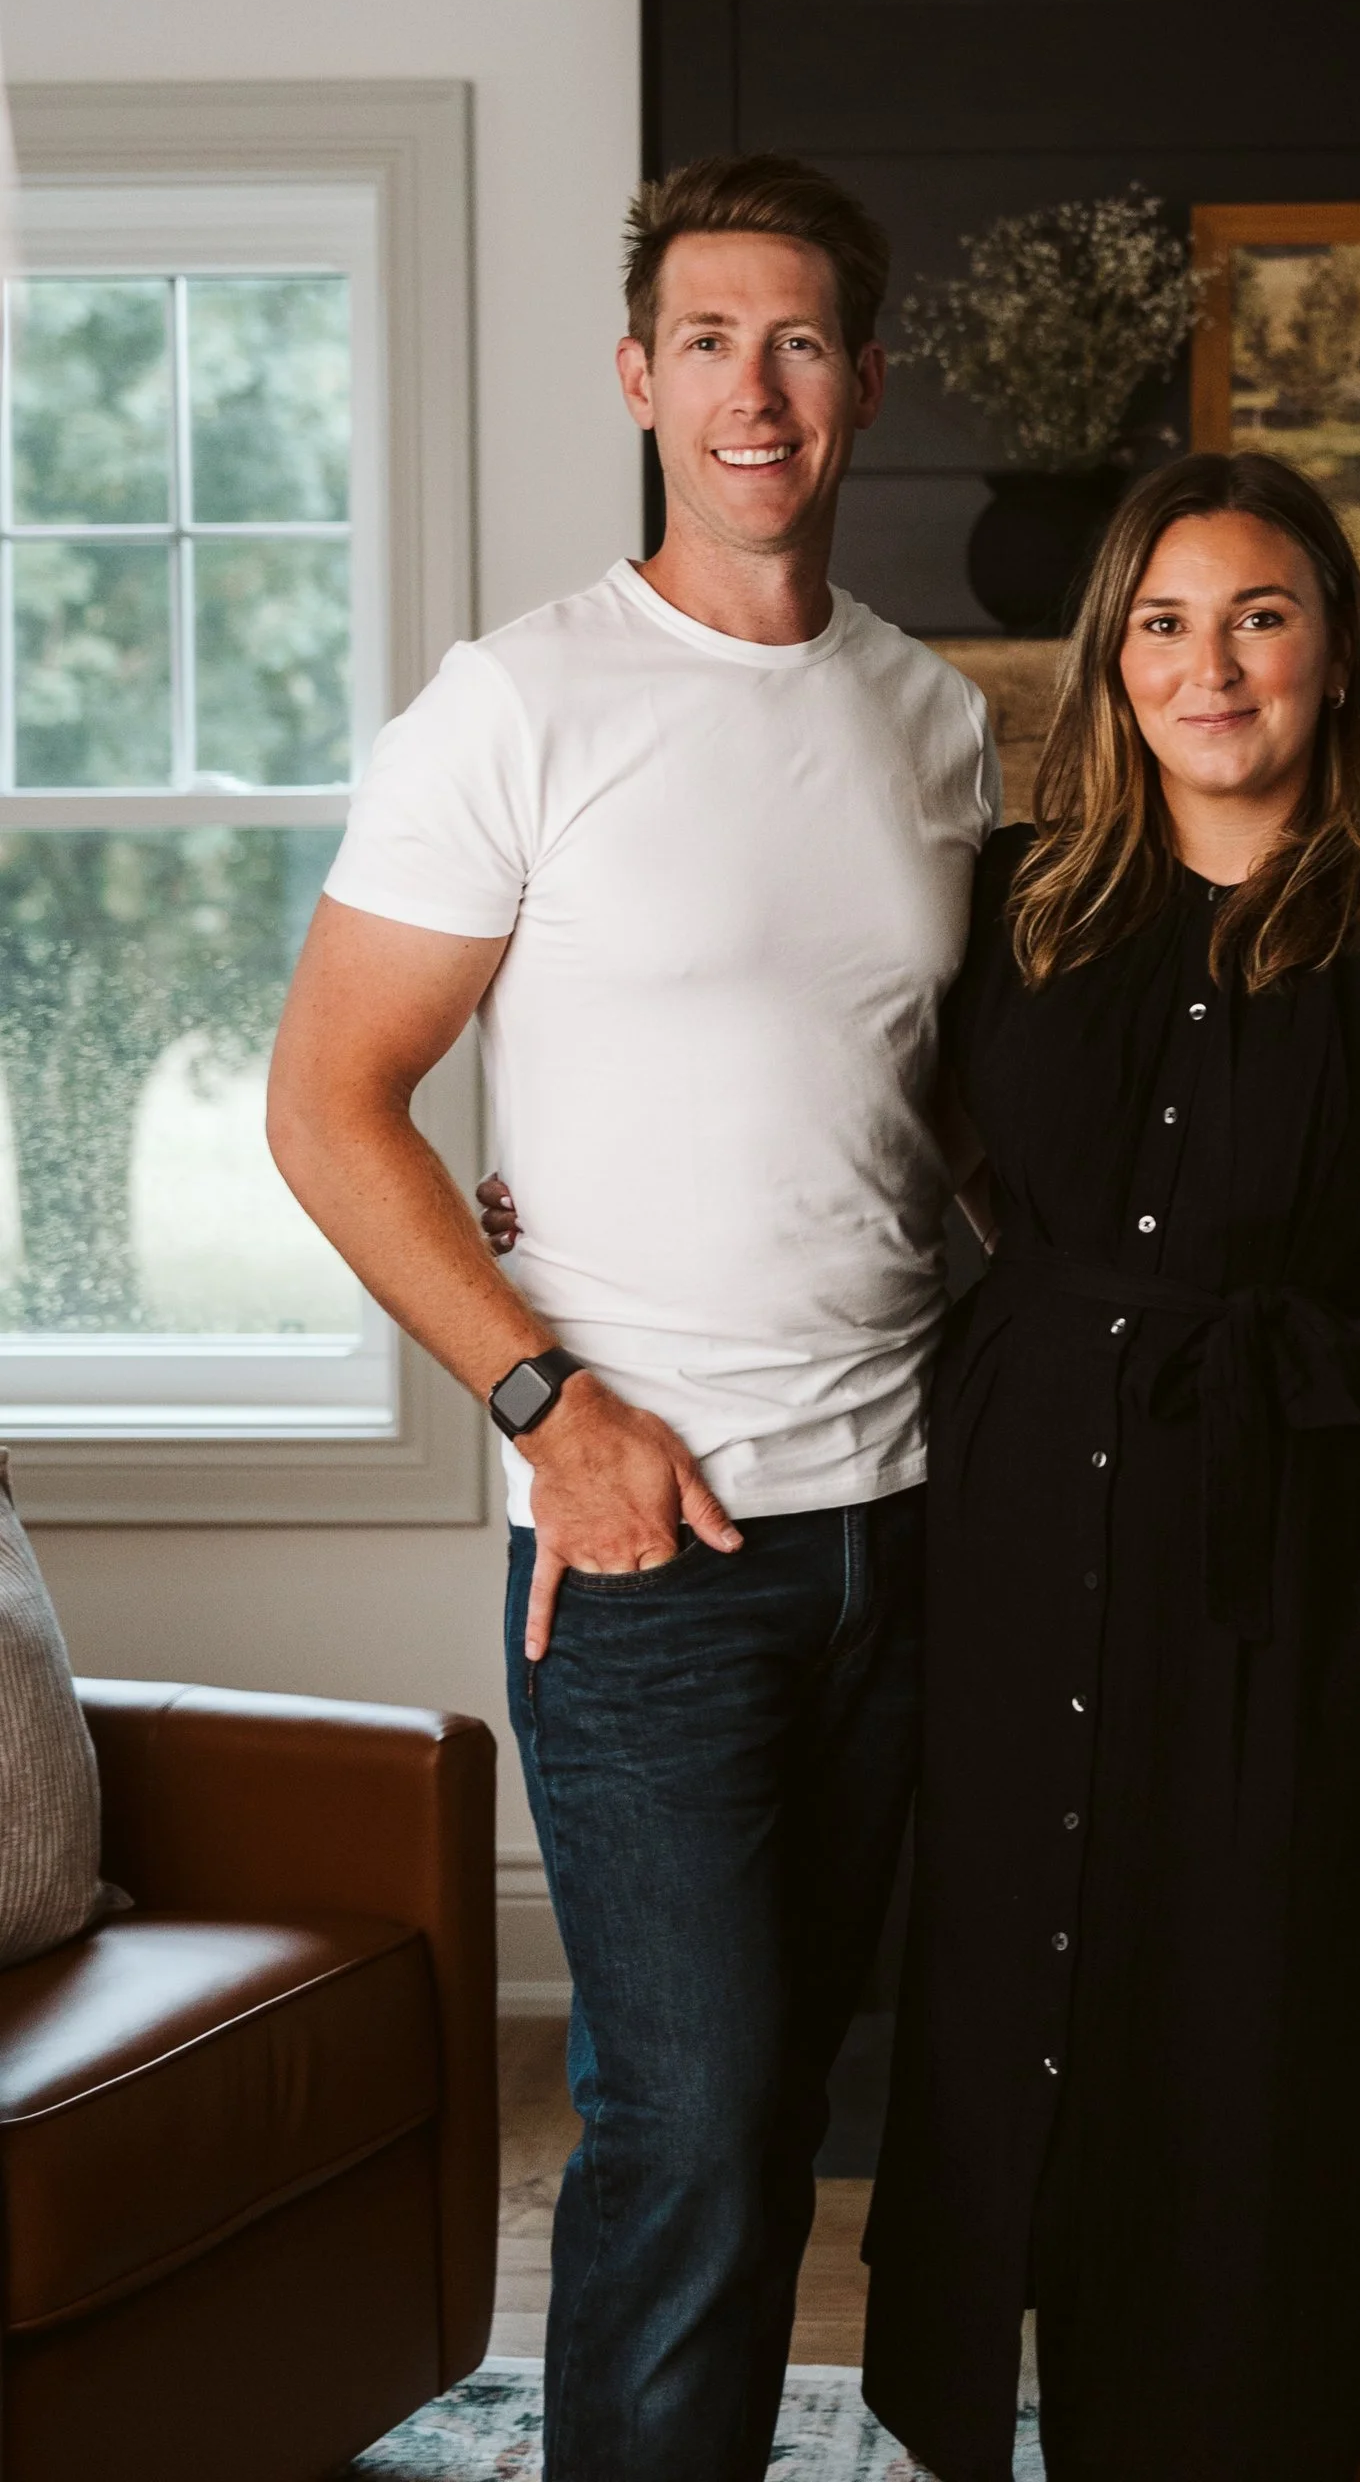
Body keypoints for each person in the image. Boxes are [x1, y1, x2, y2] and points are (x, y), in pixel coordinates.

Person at [264, 153, 995, 2482]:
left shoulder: (941, 723)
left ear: (866, 381)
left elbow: (939, 1123)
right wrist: (541, 1392)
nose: (752, 389)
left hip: (911, 1517)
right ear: (636, 377)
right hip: (645, 1541)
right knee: (683, 2120)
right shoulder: (516, 702)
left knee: (791, 2106)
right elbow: (326, 1102)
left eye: (797, 342)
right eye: (706, 340)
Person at [860, 450, 1360, 2482]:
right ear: (1110, 667)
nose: (1211, 666)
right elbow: (875, 1150)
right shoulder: (1016, 906)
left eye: (1258, 617)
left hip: (1310, 1559)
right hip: (1022, 1547)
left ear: (1336, 655)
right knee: (1050, 2021)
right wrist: (539, 1206)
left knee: (1279, 2038)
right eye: (1163, 625)